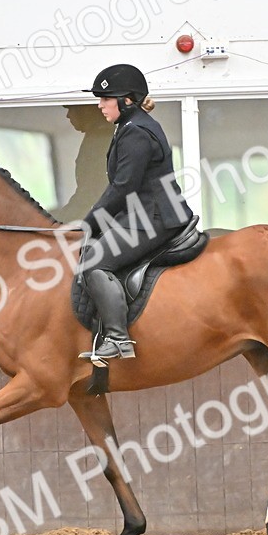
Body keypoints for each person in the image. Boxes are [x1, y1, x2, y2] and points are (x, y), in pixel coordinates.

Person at [77, 64, 194, 363]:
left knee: (94, 263)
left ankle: (117, 339)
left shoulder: (137, 133)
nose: (100, 104)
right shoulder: (130, 127)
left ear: (127, 100)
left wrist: (89, 223)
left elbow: (122, 188)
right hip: (144, 215)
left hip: (154, 219)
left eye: (105, 98)